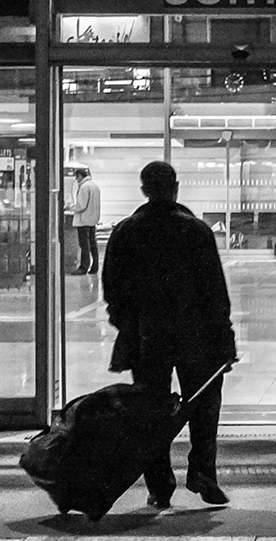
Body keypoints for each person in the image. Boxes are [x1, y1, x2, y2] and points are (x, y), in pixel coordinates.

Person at [101, 161, 240, 509]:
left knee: (150, 411)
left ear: (144, 190)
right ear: (175, 187)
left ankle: (160, 487)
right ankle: (203, 473)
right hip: (196, 337)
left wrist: (128, 325)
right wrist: (225, 338)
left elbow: (112, 290)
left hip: (148, 338)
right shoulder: (196, 231)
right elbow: (215, 293)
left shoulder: (126, 232)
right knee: (205, 404)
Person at [70, 167, 102, 275]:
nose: (76, 179)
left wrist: (71, 207)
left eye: (76, 177)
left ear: (79, 176)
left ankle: (83, 267)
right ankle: (95, 266)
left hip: (83, 220)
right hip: (92, 219)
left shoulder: (84, 187)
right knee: (93, 243)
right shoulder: (94, 186)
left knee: (84, 244)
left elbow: (81, 206)